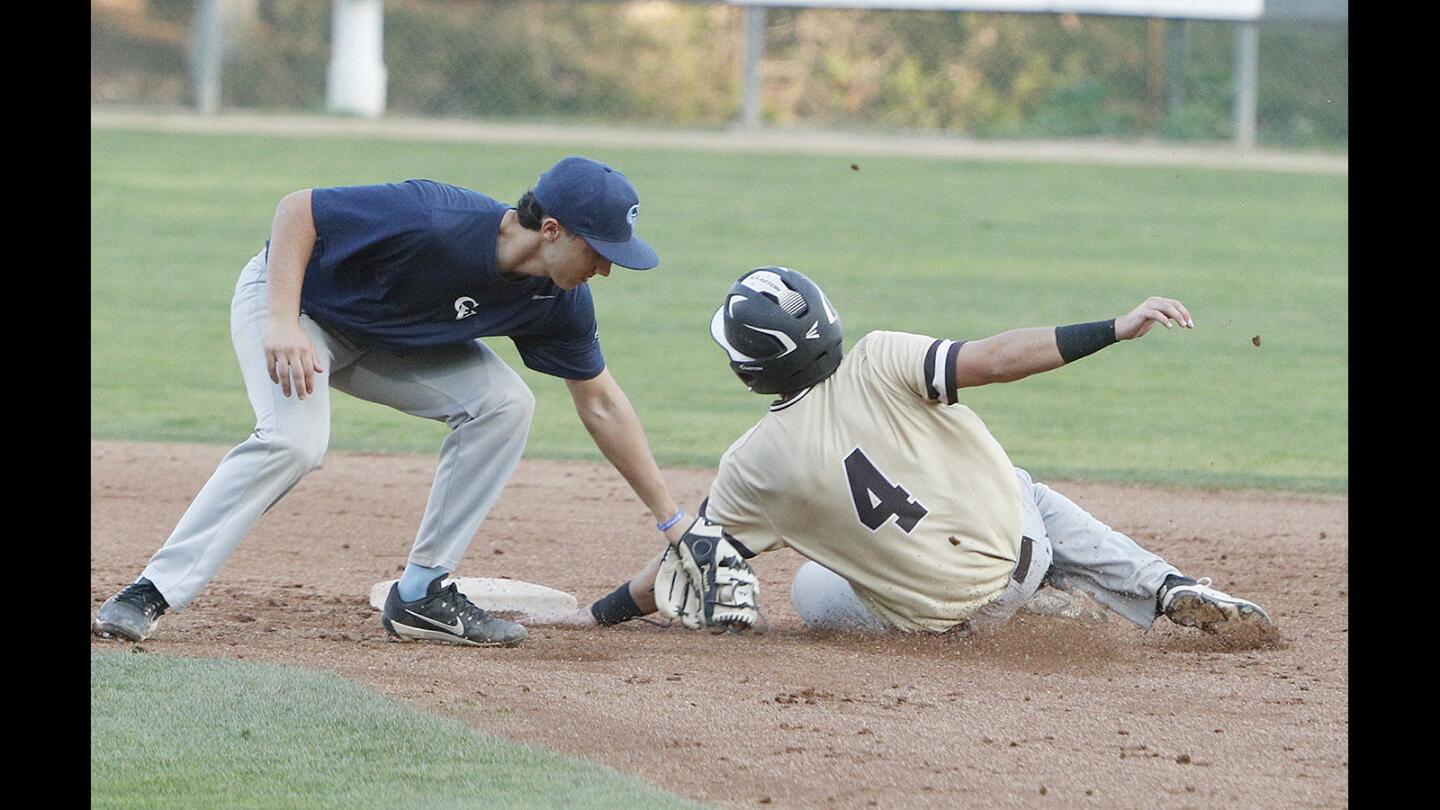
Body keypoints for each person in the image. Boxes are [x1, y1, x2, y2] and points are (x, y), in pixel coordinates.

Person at [93, 156, 697, 648]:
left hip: (388, 342)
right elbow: (297, 210)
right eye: (601, 251)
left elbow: (601, 404)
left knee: (506, 404)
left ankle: (422, 596)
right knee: (295, 441)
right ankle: (149, 592)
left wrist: (673, 522)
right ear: (551, 230)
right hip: (300, 309)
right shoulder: (434, 217)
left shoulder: (557, 300)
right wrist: (280, 322)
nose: (607, 270)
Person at [530, 266, 1274, 638]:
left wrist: (601, 615)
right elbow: (1002, 357)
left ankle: (1050, 608)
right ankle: (1163, 584)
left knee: (812, 584)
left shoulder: (751, 469)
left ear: (748, 369)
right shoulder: (884, 356)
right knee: (1015, 483)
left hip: (951, 619)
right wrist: (1113, 326)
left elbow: (680, 571)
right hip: (1022, 539)